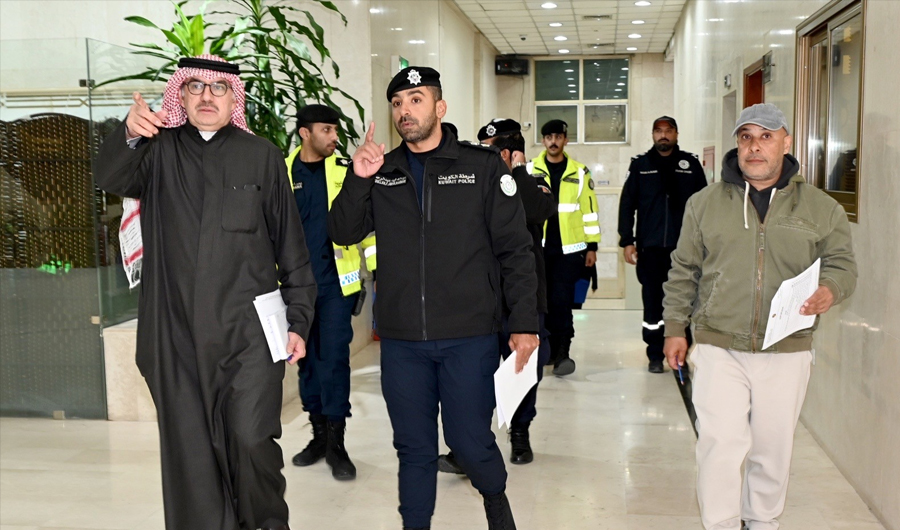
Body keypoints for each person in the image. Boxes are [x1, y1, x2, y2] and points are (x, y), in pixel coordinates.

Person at [94, 55, 316, 530]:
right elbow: (110, 177)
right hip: (175, 333)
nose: (207, 96)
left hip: (249, 333)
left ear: (235, 98)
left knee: (252, 438)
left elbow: (291, 243)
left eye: (218, 88)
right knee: (191, 452)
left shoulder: (261, 156)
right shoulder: (157, 152)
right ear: (181, 95)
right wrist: (129, 133)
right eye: (194, 87)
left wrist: (299, 319)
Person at [328, 66, 539, 530]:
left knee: (469, 442)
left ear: (440, 107)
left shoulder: (481, 167)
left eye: (416, 99)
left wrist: (524, 322)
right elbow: (342, 231)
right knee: (413, 448)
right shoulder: (383, 171)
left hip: (469, 335)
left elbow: (515, 250)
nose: (405, 110)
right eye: (398, 103)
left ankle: (496, 502)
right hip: (402, 340)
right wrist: (358, 178)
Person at [662, 103, 857, 530]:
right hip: (718, 343)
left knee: (773, 448)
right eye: (746, 137)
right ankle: (721, 523)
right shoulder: (704, 204)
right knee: (720, 443)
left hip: (786, 347)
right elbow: (683, 269)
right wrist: (675, 328)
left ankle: (762, 520)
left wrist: (831, 288)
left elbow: (842, 264)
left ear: (786, 143)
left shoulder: (820, 207)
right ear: (737, 144)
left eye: (766, 136)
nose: (755, 146)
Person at [439, 119, 556, 473]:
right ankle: (469, 446)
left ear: (508, 153)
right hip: (481, 294)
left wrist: (517, 170)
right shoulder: (474, 181)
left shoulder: (533, 179)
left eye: (491, 151)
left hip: (523, 294)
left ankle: (520, 432)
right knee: (473, 375)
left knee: (522, 367)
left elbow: (538, 210)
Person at [286, 104, 376, 481]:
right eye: (327, 130)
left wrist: (378, 271)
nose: (334, 137)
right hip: (294, 289)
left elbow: (366, 227)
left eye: (335, 130)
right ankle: (318, 436)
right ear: (305, 133)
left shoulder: (345, 170)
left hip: (338, 285)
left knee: (334, 361)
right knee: (305, 363)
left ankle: (337, 444)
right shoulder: (281, 172)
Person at [617, 116, 707, 373]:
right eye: (658, 131)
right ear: (653, 135)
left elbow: (705, 206)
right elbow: (627, 205)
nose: (663, 135)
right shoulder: (640, 165)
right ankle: (655, 354)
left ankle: (681, 351)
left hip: (685, 250)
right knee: (653, 303)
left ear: (676, 134)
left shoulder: (690, 164)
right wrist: (627, 241)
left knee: (685, 301)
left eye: (668, 131)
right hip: (651, 249)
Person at [528, 119, 600, 376]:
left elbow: (589, 211)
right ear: (543, 140)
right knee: (541, 302)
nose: (553, 141)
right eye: (549, 137)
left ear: (565, 140)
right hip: (538, 250)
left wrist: (592, 247)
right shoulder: (530, 170)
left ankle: (562, 353)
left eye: (558, 137)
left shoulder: (579, 172)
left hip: (569, 252)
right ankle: (547, 350)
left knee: (562, 302)